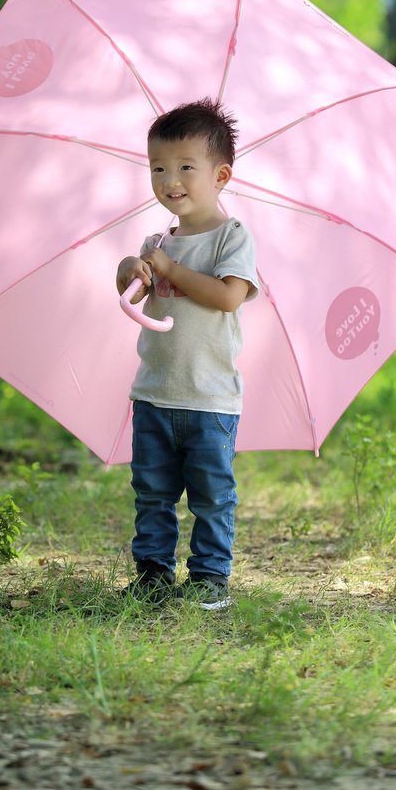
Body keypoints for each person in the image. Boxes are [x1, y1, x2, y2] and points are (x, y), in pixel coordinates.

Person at [115, 97, 259, 611]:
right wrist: (133, 265)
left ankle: (209, 577)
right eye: (158, 167)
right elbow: (127, 286)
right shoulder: (158, 240)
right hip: (155, 392)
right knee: (152, 491)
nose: (169, 179)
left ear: (220, 175)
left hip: (209, 399)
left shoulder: (231, 238)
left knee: (211, 495)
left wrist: (172, 272)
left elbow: (227, 297)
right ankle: (153, 573)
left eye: (184, 168)